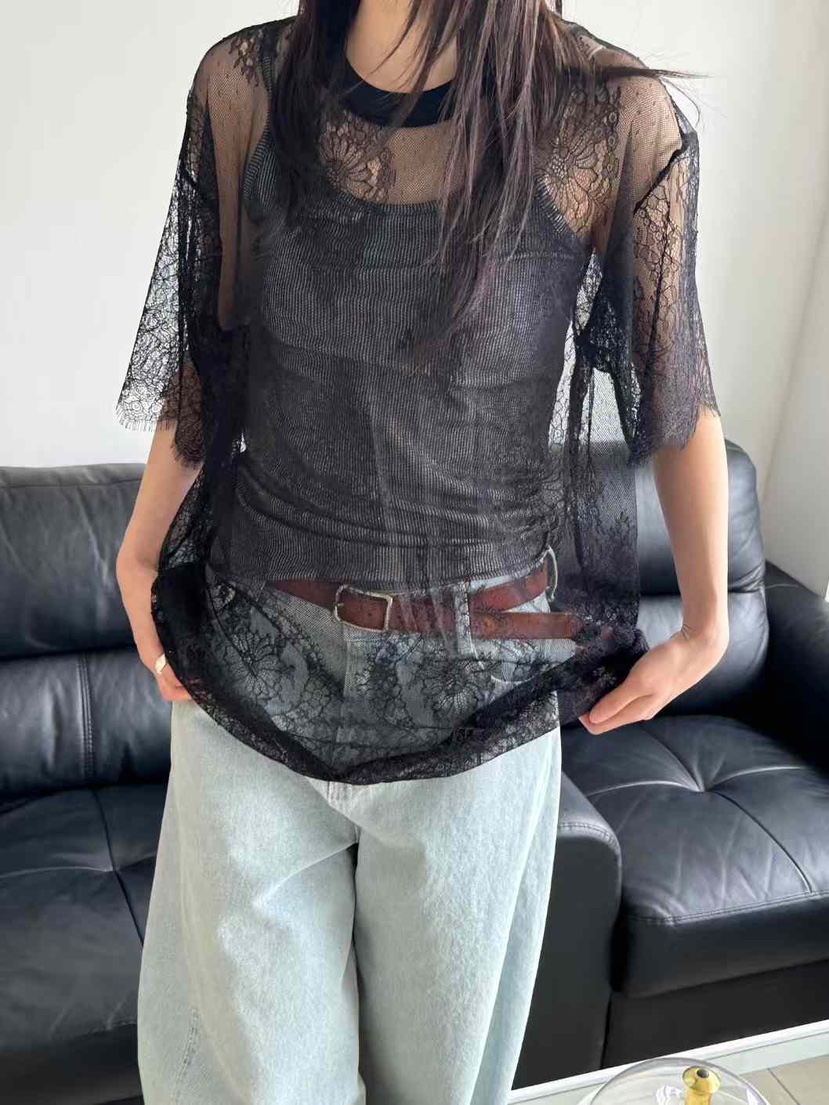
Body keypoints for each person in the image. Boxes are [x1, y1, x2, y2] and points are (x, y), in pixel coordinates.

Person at [115, 1, 729, 1102]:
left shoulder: (603, 116)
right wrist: (137, 550)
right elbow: (207, 360)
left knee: (440, 1087)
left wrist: (708, 622)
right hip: (254, 665)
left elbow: (674, 388)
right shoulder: (247, 85)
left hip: (479, 692)